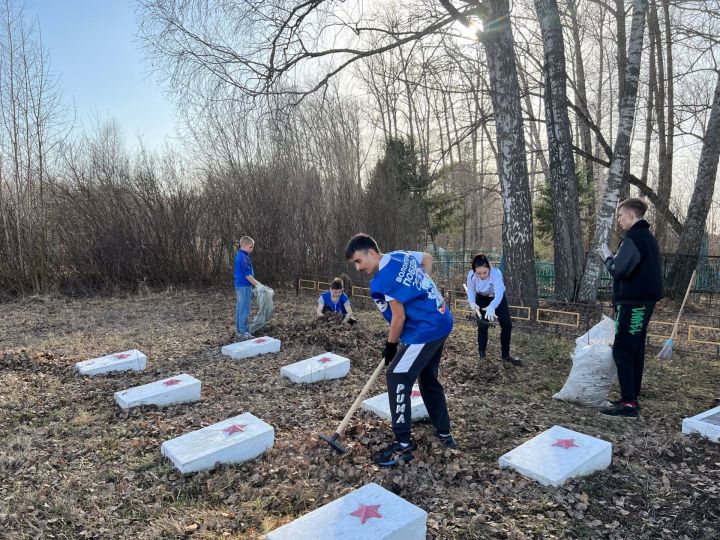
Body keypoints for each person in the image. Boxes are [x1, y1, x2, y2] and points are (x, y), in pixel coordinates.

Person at [345, 233, 456, 467]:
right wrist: (422, 283)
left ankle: (403, 445)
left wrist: (391, 345)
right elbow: (427, 258)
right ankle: (444, 434)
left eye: (358, 261)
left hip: (425, 330)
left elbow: (398, 316)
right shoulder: (400, 256)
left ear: (371, 253)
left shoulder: (383, 280)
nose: (358, 267)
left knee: (396, 376)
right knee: (427, 377)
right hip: (440, 319)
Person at [599, 198, 662, 418]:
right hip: (641, 303)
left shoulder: (635, 238)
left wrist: (607, 256)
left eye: (620, 216)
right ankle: (631, 397)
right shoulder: (647, 238)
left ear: (631, 215)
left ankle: (628, 405)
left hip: (634, 304)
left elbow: (619, 269)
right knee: (634, 351)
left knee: (623, 350)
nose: (618, 221)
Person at [465, 253, 522, 366]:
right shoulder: (471, 274)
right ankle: (482, 354)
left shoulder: (496, 273)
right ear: (475, 270)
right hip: (481, 298)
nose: (481, 275)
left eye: (484, 272)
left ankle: (505, 355)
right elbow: (470, 290)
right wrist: (472, 302)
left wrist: (492, 307)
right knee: (483, 325)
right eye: (479, 273)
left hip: (497, 298)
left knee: (507, 325)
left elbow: (499, 293)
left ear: (489, 268)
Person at [233, 236, 266, 339]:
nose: (252, 249)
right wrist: (258, 285)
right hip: (244, 286)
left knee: (240, 307)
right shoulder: (244, 258)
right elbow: (247, 276)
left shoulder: (240, 255)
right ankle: (243, 332)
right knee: (245, 308)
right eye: (251, 247)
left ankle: (240, 329)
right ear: (243, 246)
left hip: (240, 285)